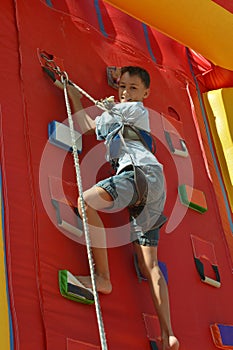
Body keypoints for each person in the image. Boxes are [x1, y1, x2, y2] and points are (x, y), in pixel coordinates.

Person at [51, 66, 179, 350]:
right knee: (150, 265)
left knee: (87, 201)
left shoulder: (134, 109)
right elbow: (90, 121)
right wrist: (77, 94)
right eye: (122, 87)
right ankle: (168, 333)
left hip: (139, 173)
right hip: (154, 182)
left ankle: (103, 277)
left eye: (133, 88)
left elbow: (86, 124)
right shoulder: (124, 112)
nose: (125, 92)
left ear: (145, 93)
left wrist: (89, 101)